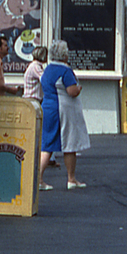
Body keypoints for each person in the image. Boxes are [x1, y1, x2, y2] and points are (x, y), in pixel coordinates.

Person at [39, 39, 88, 189]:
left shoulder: (47, 69)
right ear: (65, 55)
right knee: (69, 144)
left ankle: (38, 178)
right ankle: (71, 179)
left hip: (47, 107)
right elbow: (71, 92)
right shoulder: (65, 71)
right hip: (62, 110)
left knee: (46, 145)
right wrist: (78, 88)